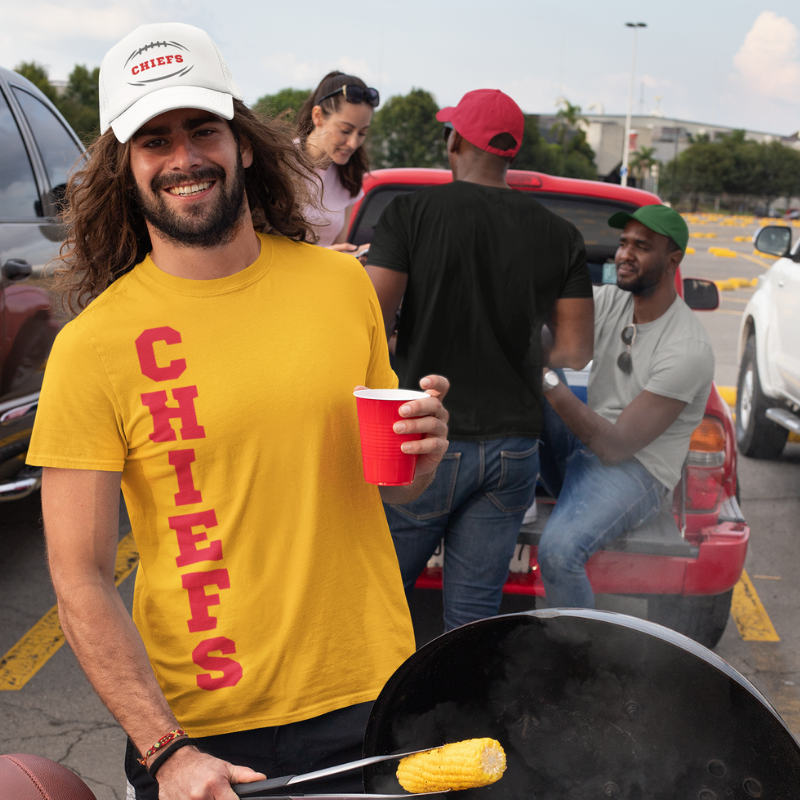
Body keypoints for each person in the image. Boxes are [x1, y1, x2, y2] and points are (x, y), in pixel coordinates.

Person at [25, 23, 449, 800]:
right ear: (126, 169)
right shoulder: (93, 347)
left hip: (367, 692)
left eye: (201, 129)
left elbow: (392, 488)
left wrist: (420, 459)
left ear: (243, 143)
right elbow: (79, 576)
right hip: (201, 732)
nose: (183, 157)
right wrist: (165, 751)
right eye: (154, 141)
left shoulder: (340, 287)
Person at [365, 89, 594, 633]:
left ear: (456, 142)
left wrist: (403, 345)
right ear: (509, 153)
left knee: (377, 598)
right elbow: (576, 350)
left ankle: (370, 715)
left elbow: (368, 319)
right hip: (515, 451)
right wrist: (515, 349)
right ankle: (460, 715)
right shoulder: (560, 235)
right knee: (472, 619)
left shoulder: (410, 213)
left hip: (427, 443)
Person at [536, 204, 715, 608]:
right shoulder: (611, 301)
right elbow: (547, 314)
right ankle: (493, 481)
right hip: (583, 451)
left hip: (636, 471)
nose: (624, 255)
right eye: (622, 243)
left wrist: (543, 377)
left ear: (673, 260)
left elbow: (616, 447)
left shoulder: (687, 348)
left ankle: (576, 662)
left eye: (641, 246)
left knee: (559, 554)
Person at [296, 72, 379, 252]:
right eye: (345, 130)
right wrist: (324, 257)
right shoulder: (279, 163)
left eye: (362, 133)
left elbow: (337, 248)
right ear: (318, 116)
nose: (354, 143)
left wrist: (353, 255)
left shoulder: (349, 177)